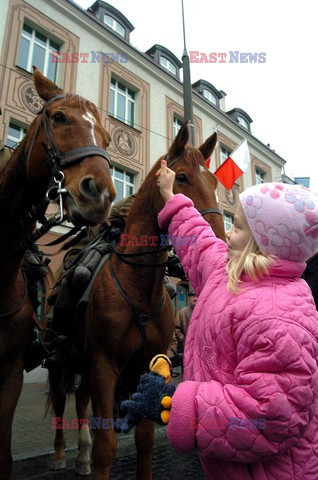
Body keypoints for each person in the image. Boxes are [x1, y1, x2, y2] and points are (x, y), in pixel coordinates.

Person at [122, 160, 318, 480]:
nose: (227, 234)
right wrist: (171, 198)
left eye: (237, 226)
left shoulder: (279, 317)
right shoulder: (229, 273)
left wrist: (175, 404)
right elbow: (199, 244)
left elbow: (265, 420)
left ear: (262, 242)